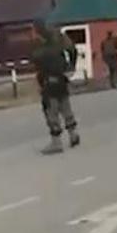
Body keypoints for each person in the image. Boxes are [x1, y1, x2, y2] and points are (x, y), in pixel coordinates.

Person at [31, 20, 81, 155]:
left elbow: (37, 66)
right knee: (65, 106)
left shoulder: (38, 48)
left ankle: (56, 142)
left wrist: (39, 84)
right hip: (61, 78)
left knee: (51, 111)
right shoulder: (58, 41)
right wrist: (71, 66)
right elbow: (72, 50)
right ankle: (73, 134)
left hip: (49, 82)